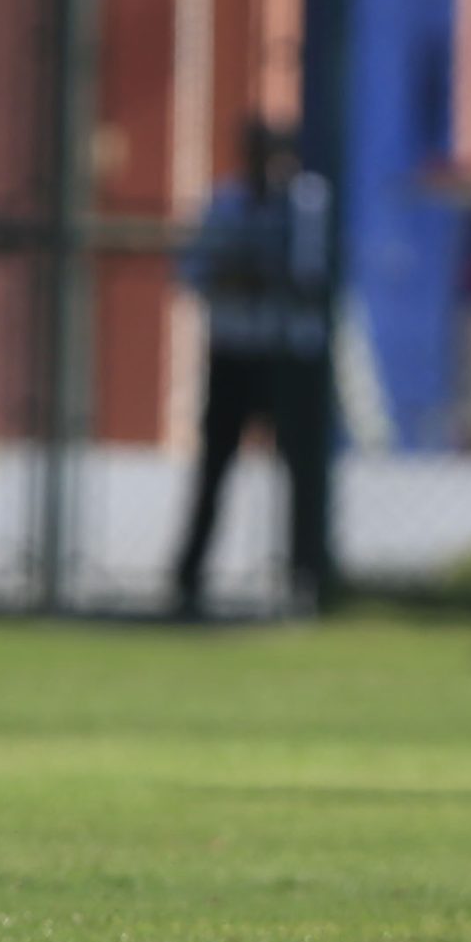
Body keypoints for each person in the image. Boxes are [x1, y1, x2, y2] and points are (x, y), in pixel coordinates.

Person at [170, 118, 332, 617]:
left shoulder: (310, 203)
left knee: (300, 470)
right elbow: (193, 270)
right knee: (215, 467)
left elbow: (319, 275)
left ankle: (306, 574)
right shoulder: (225, 202)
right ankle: (189, 577)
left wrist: (271, 279)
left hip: (292, 356)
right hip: (235, 350)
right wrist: (237, 277)